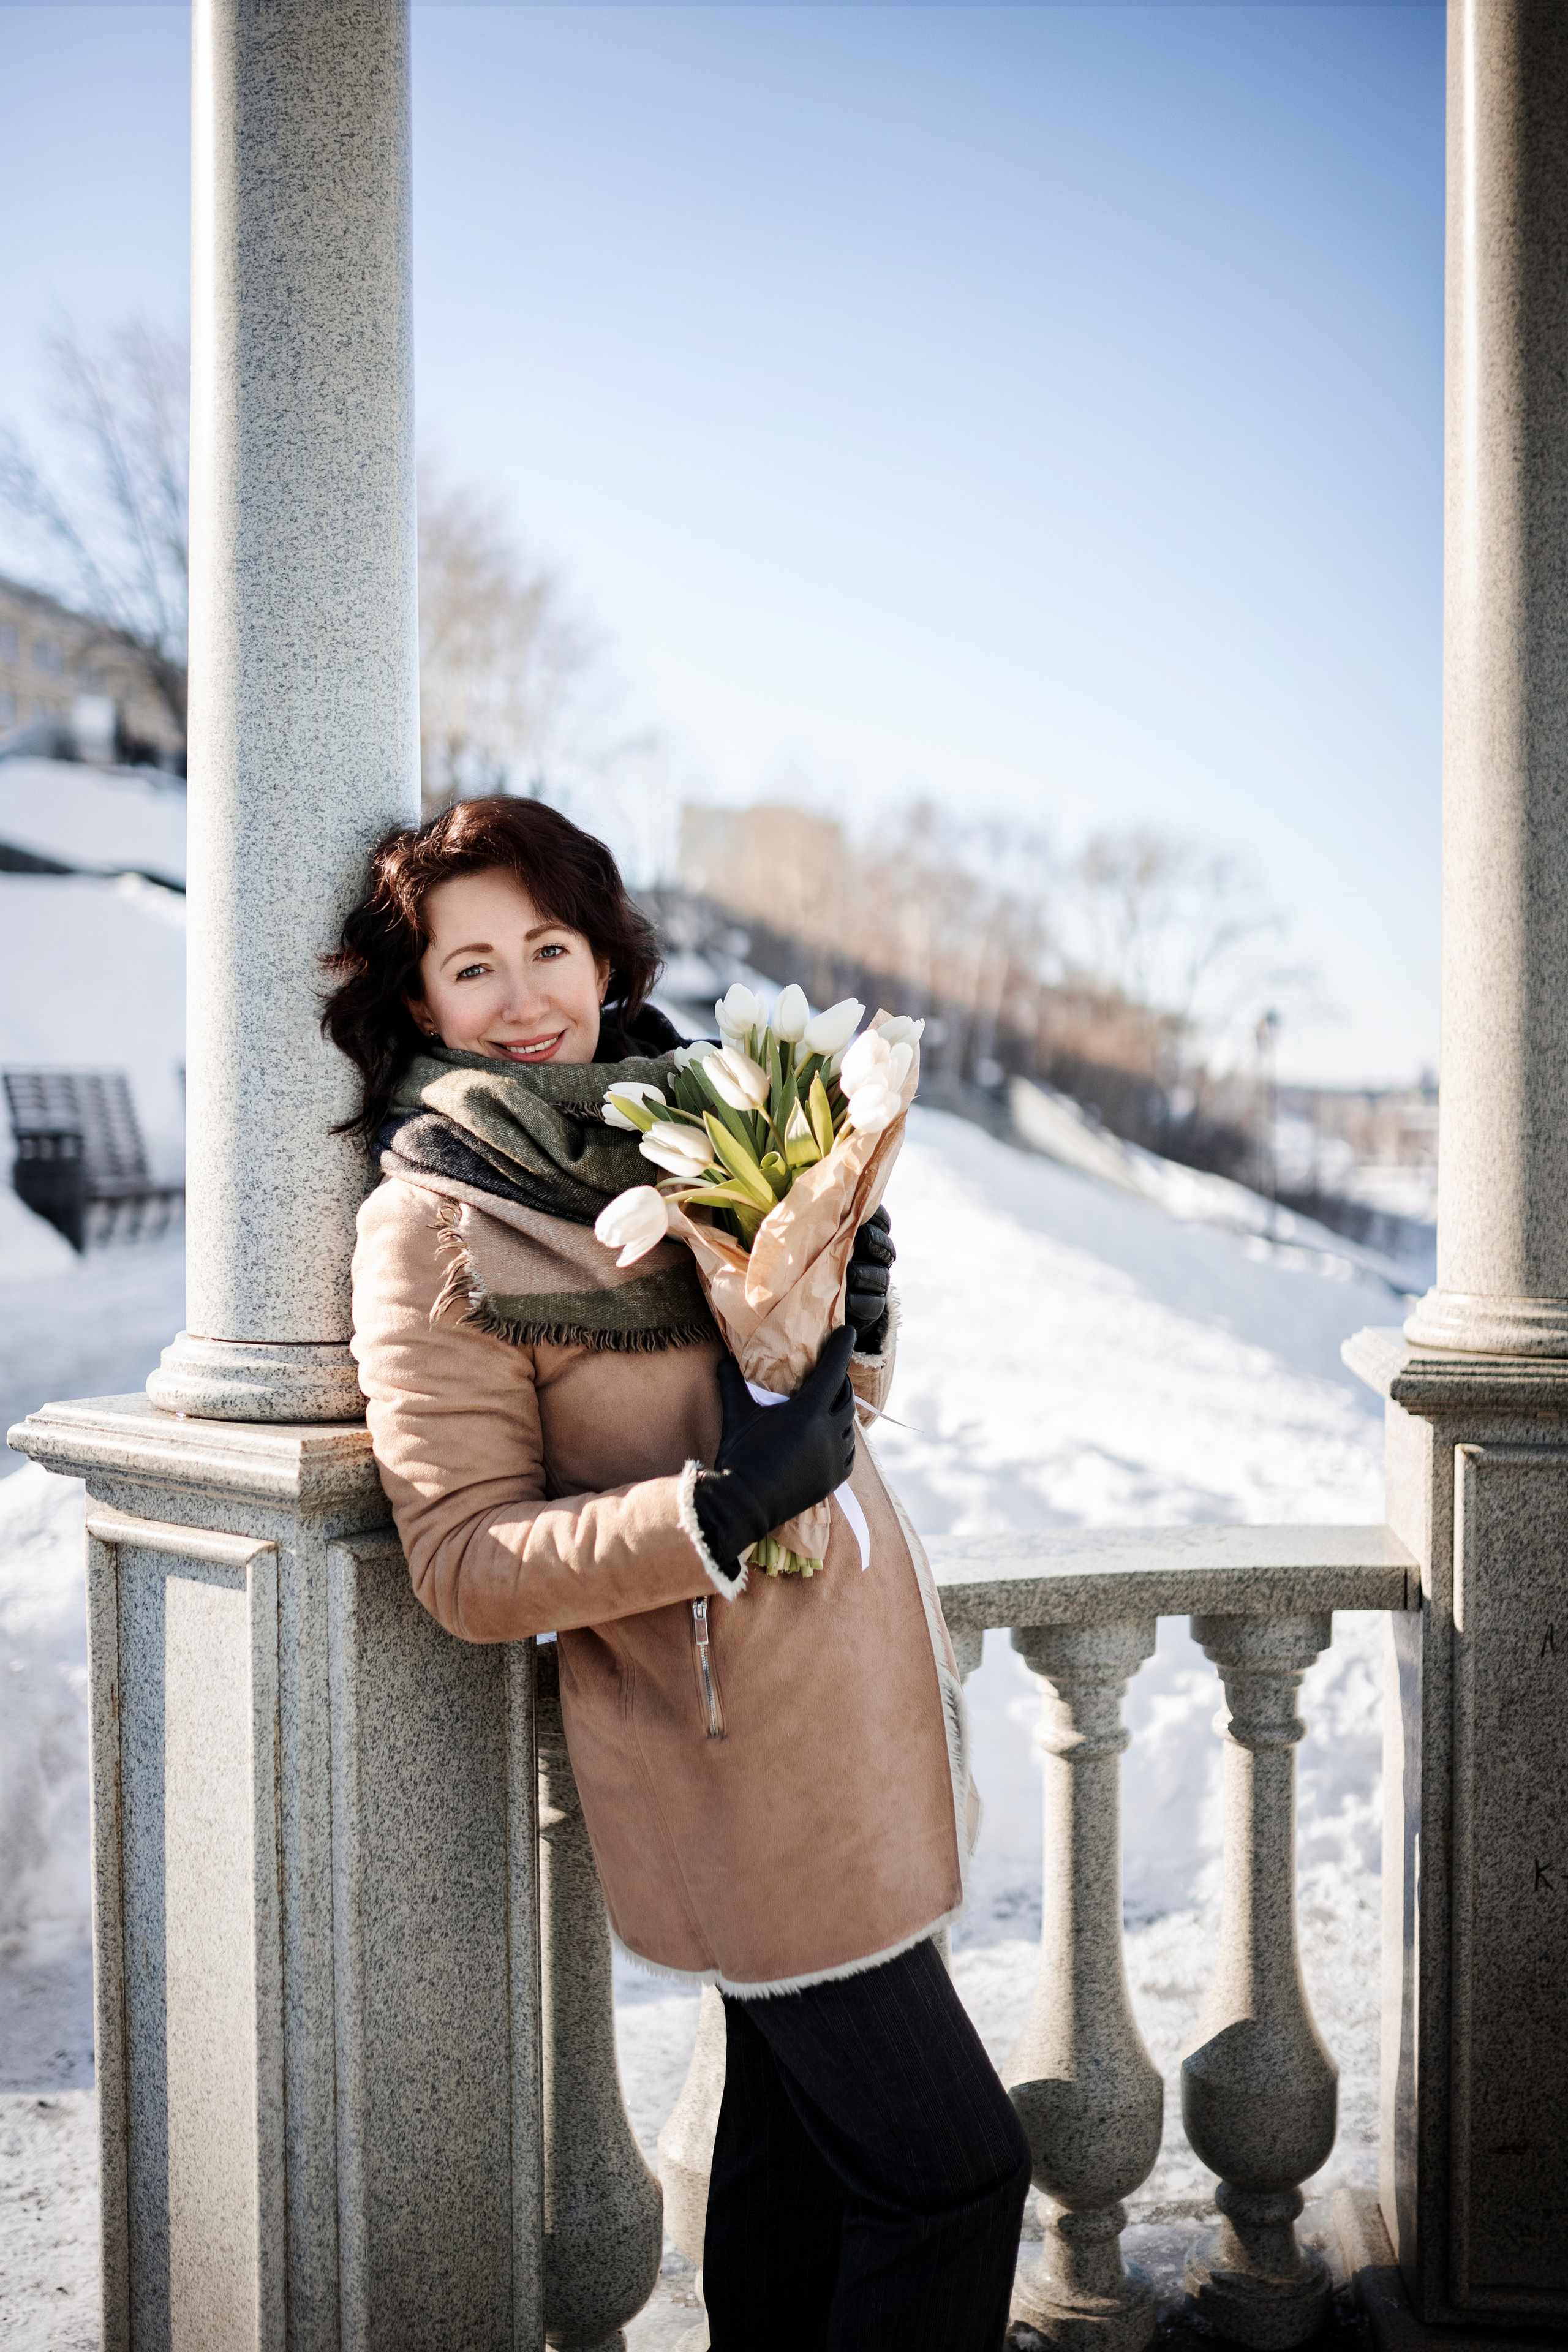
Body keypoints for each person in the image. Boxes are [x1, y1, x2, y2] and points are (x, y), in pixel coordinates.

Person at [323, 794, 1031, 2350]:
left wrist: (850, 1316)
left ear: (605, 954)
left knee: (794, 2186)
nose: (524, 1002)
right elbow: (460, 1558)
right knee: (954, 2180)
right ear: (416, 1001)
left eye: (550, 948)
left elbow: (803, 1416)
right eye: (472, 969)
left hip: (841, 1726)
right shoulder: (434, 1222)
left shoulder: (683, 1130)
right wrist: (709, 1517)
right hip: (729, 1776)